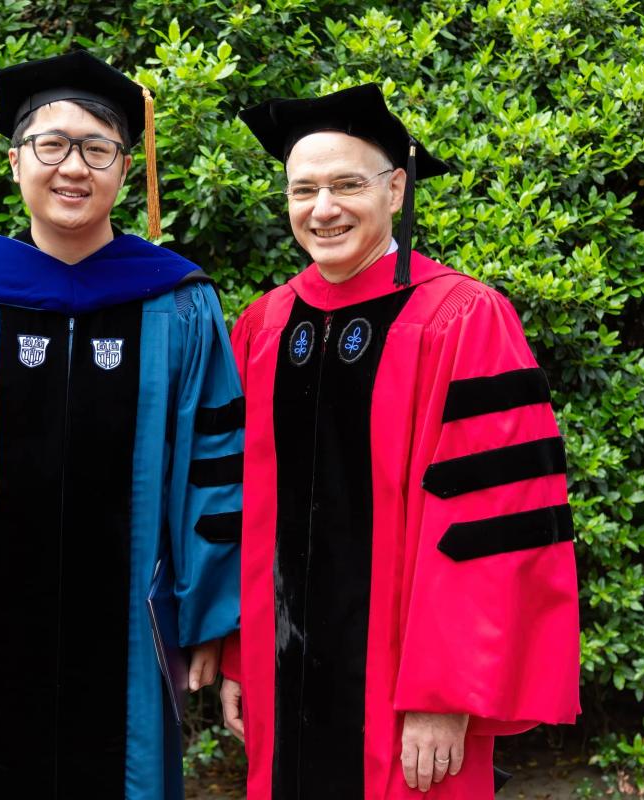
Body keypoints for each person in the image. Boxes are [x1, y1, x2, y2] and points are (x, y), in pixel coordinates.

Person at [0, 50, 243, 800]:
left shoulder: (177, 304)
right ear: (17, 163)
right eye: (52, 146)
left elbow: (217, 460)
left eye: (97, 148)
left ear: (123, 166)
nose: (73, 167)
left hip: (130, 626)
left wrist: (211, 613)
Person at [220, 84, 581, 799]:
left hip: (407, 695)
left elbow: (489, 523)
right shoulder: (264, 327)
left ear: (396, 188)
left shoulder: (464, 319)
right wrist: (239, 660)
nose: (323, 209)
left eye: (347, 184)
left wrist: (445, 695)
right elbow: (243, 514)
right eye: (304, 190)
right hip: (280, 676)